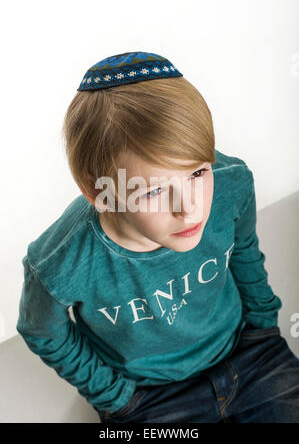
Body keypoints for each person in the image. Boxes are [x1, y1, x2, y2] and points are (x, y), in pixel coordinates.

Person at [16, 51, 299, 423]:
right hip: (149, 397)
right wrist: (114, 396)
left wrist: (263, 325)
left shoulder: (233, 184)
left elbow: (244, 249)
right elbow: (43, 331)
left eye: (197, 173)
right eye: (152, 191)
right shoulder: (59, 263)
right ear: (97, 191)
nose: (190, 208)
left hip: (249, 357)